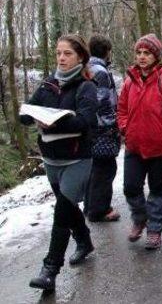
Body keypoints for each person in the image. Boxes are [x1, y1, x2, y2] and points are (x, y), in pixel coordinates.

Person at [21, 35, 98, 291]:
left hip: (77, 159)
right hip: (51, 160)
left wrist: (56, 121)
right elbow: (26, 113)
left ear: (80, 57)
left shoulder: (86, 86)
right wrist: (30, 114)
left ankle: (50, 270)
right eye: (58, 53)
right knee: (68, 208)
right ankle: (84, 241)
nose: (61, 58)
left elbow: (87, 121)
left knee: (62, 210)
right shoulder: (47, 85)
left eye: (67, 53)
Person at [117, 34, 162, 250]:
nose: (142, 57)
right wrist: (126, 128)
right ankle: (139, 218)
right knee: (130, 187)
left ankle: (155, 229)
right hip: (135, 146)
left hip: (159, 149)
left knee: (157, 191)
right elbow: (121, 110)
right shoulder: (129, 81)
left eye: (147, 53)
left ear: (155, 56)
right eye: (139, 53)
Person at [85, 35, 121, 222]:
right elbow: (102, 100)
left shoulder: (86, 67)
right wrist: (112, 124)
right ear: (107, 51)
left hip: (91, 126)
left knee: (95, 167)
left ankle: (90, 205)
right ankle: (100, 209)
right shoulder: (100, 71)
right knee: (106, 168)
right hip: (102, 127)